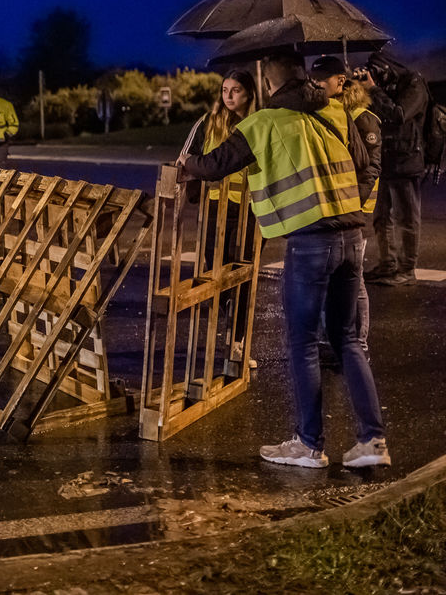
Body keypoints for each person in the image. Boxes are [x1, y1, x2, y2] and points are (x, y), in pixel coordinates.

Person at [178, 52, 388, 470]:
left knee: (303, 342)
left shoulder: (263, 123)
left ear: (269, 85)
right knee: (347, 339)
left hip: (311, 241)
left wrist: (187, 163)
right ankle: (372, 442)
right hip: (351, 235)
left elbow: (216, 164)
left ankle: (309, 445)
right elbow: (364, 165)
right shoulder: (335, 113)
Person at [310, 56, 381, 368]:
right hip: (334, 209)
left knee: (355, 281)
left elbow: (371, 169)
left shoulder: (362, 118)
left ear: (339, 82)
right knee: (333, 279)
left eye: (320, 81)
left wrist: (352, 204)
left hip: (355, 211)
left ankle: (359, 345)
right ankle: (334, 342)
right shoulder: (330, 113)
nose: (315, 86)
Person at [362, 52, 430, 287]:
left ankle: (407, 270)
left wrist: (373, 89)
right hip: (384, 160)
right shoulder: (383, 86)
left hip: (406, 161)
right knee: (381, 217)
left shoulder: (413, 84)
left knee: (407, 218)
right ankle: (387, 264)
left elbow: (398, 114)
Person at [182, 69, 257, 269]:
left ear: (249, 93)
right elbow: (186, 156)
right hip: (213, 206)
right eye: (224, 90)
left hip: (251, 208)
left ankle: (239, 293)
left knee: (242, 268)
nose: (228, 96)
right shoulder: (208, 121)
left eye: (236, 90)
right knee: (215, 267)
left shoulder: (259, 123)